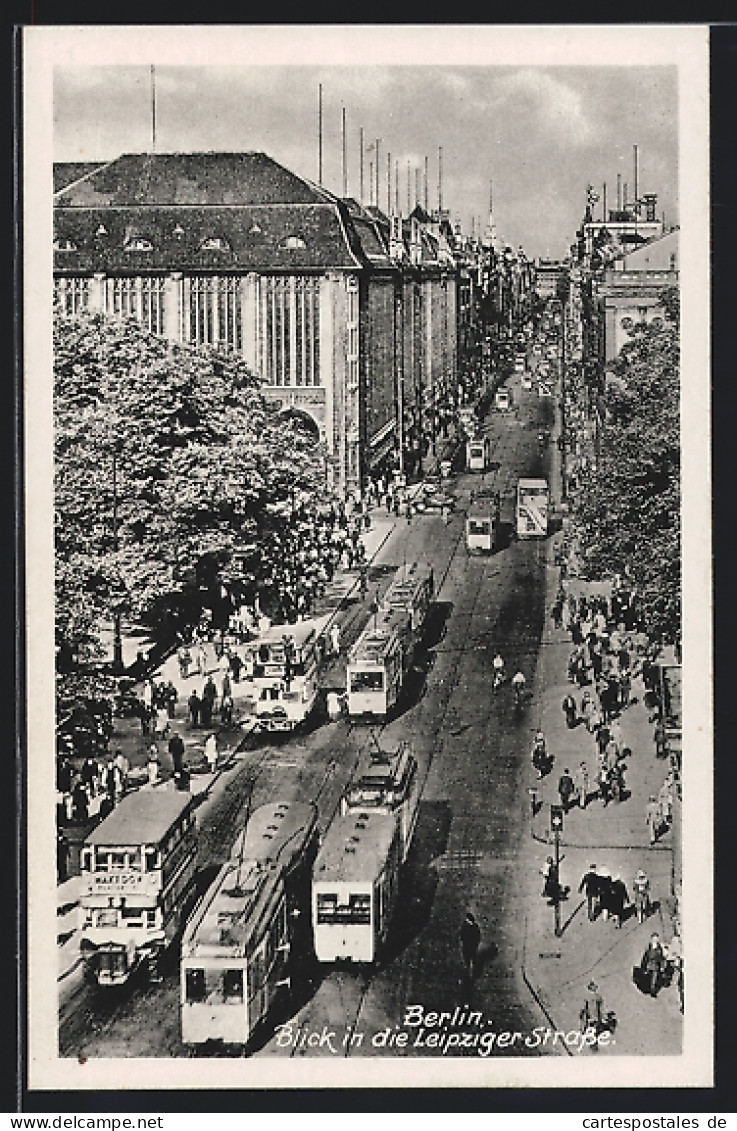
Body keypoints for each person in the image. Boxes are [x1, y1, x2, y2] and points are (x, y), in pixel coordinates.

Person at [460, 911, 482, 977]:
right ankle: (470, 969)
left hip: (469, 944)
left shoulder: (467, 926)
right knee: (469, 956)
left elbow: (462, 934)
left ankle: (469, 969)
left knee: (469, 956)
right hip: (470, 944)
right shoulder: (473, 926)